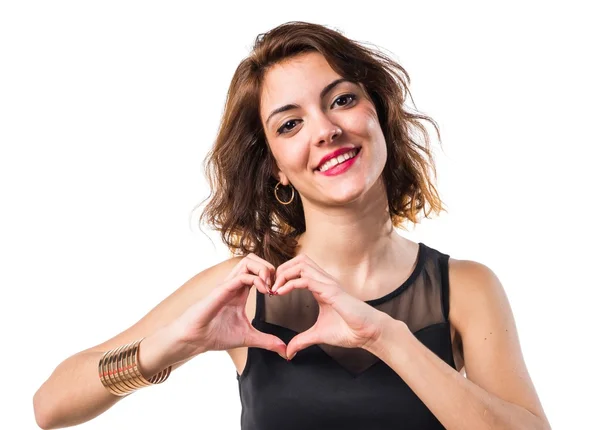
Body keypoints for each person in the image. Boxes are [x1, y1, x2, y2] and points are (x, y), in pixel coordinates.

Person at [33, 21, 551, 430]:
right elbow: (50, 406)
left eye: (342, 100)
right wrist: (168, 347)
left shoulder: (466, 288)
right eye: (290, 123)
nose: (326, 130)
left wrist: (390, 339)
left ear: (378, 114)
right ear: (276, 166)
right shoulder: (244, 289)